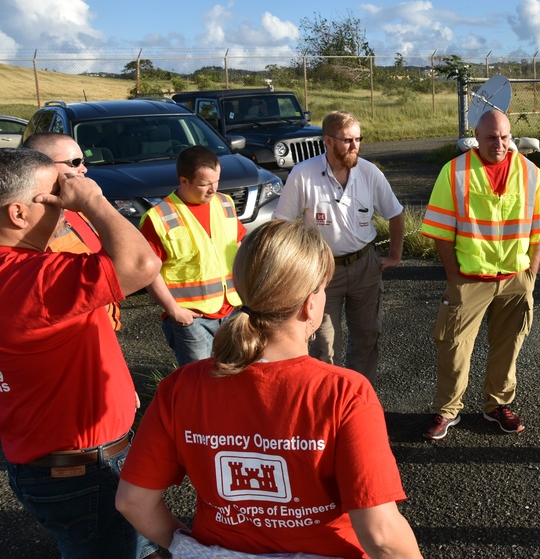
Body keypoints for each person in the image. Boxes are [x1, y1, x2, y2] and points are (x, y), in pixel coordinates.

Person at [115, 220, 422, 559]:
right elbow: (380, 534)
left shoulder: (181, 386)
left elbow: (133, 501)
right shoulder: (343, 393)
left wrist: (188, 545)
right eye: (323, 288)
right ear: (310, 304)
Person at [0, 147, 161, 558]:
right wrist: (92, 200)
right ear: (19, 214)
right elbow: (141, 263)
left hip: (42, 458)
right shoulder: (28, 279)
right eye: (56, 191)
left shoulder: (23, 271)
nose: (65, 199)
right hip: (82, 471)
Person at [420, 108, 540, 440]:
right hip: (469, 279)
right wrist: (454, 276)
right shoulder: (454, 172)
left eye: (505, 137)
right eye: (492, 138)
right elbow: (441, 232)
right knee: (453, 346)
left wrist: (531, 276)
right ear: (477, 138)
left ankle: (497, 404)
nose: (499, 144)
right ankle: (448, 410)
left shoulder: (529, 172)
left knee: (509, 345)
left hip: (515, 279)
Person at [274, 111, 404, 383]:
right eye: (347, 140)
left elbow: (395, 212)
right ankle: (327, 398)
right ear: (328, 141)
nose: (355, 146)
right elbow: (282, 225)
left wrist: (395, 255)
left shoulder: (369, 172)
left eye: (358, 139)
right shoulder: (303, 174)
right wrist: (295, 266)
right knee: (323, 343)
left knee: (367, 335)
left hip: (365, 265)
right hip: (321, 271)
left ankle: (358, 396)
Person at [139, 145, 245, 366]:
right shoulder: (159, 217)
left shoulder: (225, 204)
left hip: (231, 310)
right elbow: (149, 272)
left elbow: (239, 245)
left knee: (235, 375)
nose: (213, 189)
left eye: (216, 181)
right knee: (199, 381)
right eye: (205, 184)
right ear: (184, 181)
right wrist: (174, 310)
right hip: (191, 318)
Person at [22, 131, 121, 329]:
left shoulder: (78, 211)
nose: (84, 169)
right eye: (74, 162)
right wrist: (95, 201)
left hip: (100, 329)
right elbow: (138, 265)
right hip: (70, 337)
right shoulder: (25, 225)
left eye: (83, 161)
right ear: (43, 167)